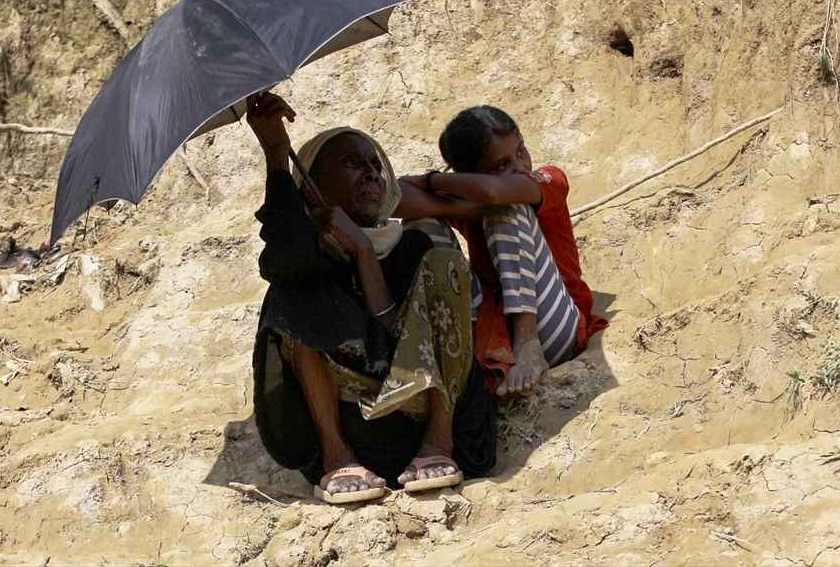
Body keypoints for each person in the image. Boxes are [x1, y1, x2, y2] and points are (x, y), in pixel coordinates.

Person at [246, 93, 495, 503]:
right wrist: (275, 151)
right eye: (352, 163)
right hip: (353, 425)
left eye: (376, 166)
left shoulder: (412, 245)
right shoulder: (307, 257)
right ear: (313, 185)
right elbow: (283, 257)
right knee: (290, 291)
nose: (372, 175)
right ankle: (335, 455)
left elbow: (393, 341)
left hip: (418, 412)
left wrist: (363, 249)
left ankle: (439, 444)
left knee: (446, 266)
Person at [395, 105, 608, 396]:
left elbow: (497, 192)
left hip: (555, 328)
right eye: (500, 165)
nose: (520, 166)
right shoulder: (472, 196)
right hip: (492, 330)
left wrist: (430, 181)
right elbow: (395, 200)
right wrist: (461, 207)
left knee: (505, 205)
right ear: (468, 177)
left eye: (521, 151)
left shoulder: (548, 180)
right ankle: (452, 357)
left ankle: (527, 344)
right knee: (421, 224)